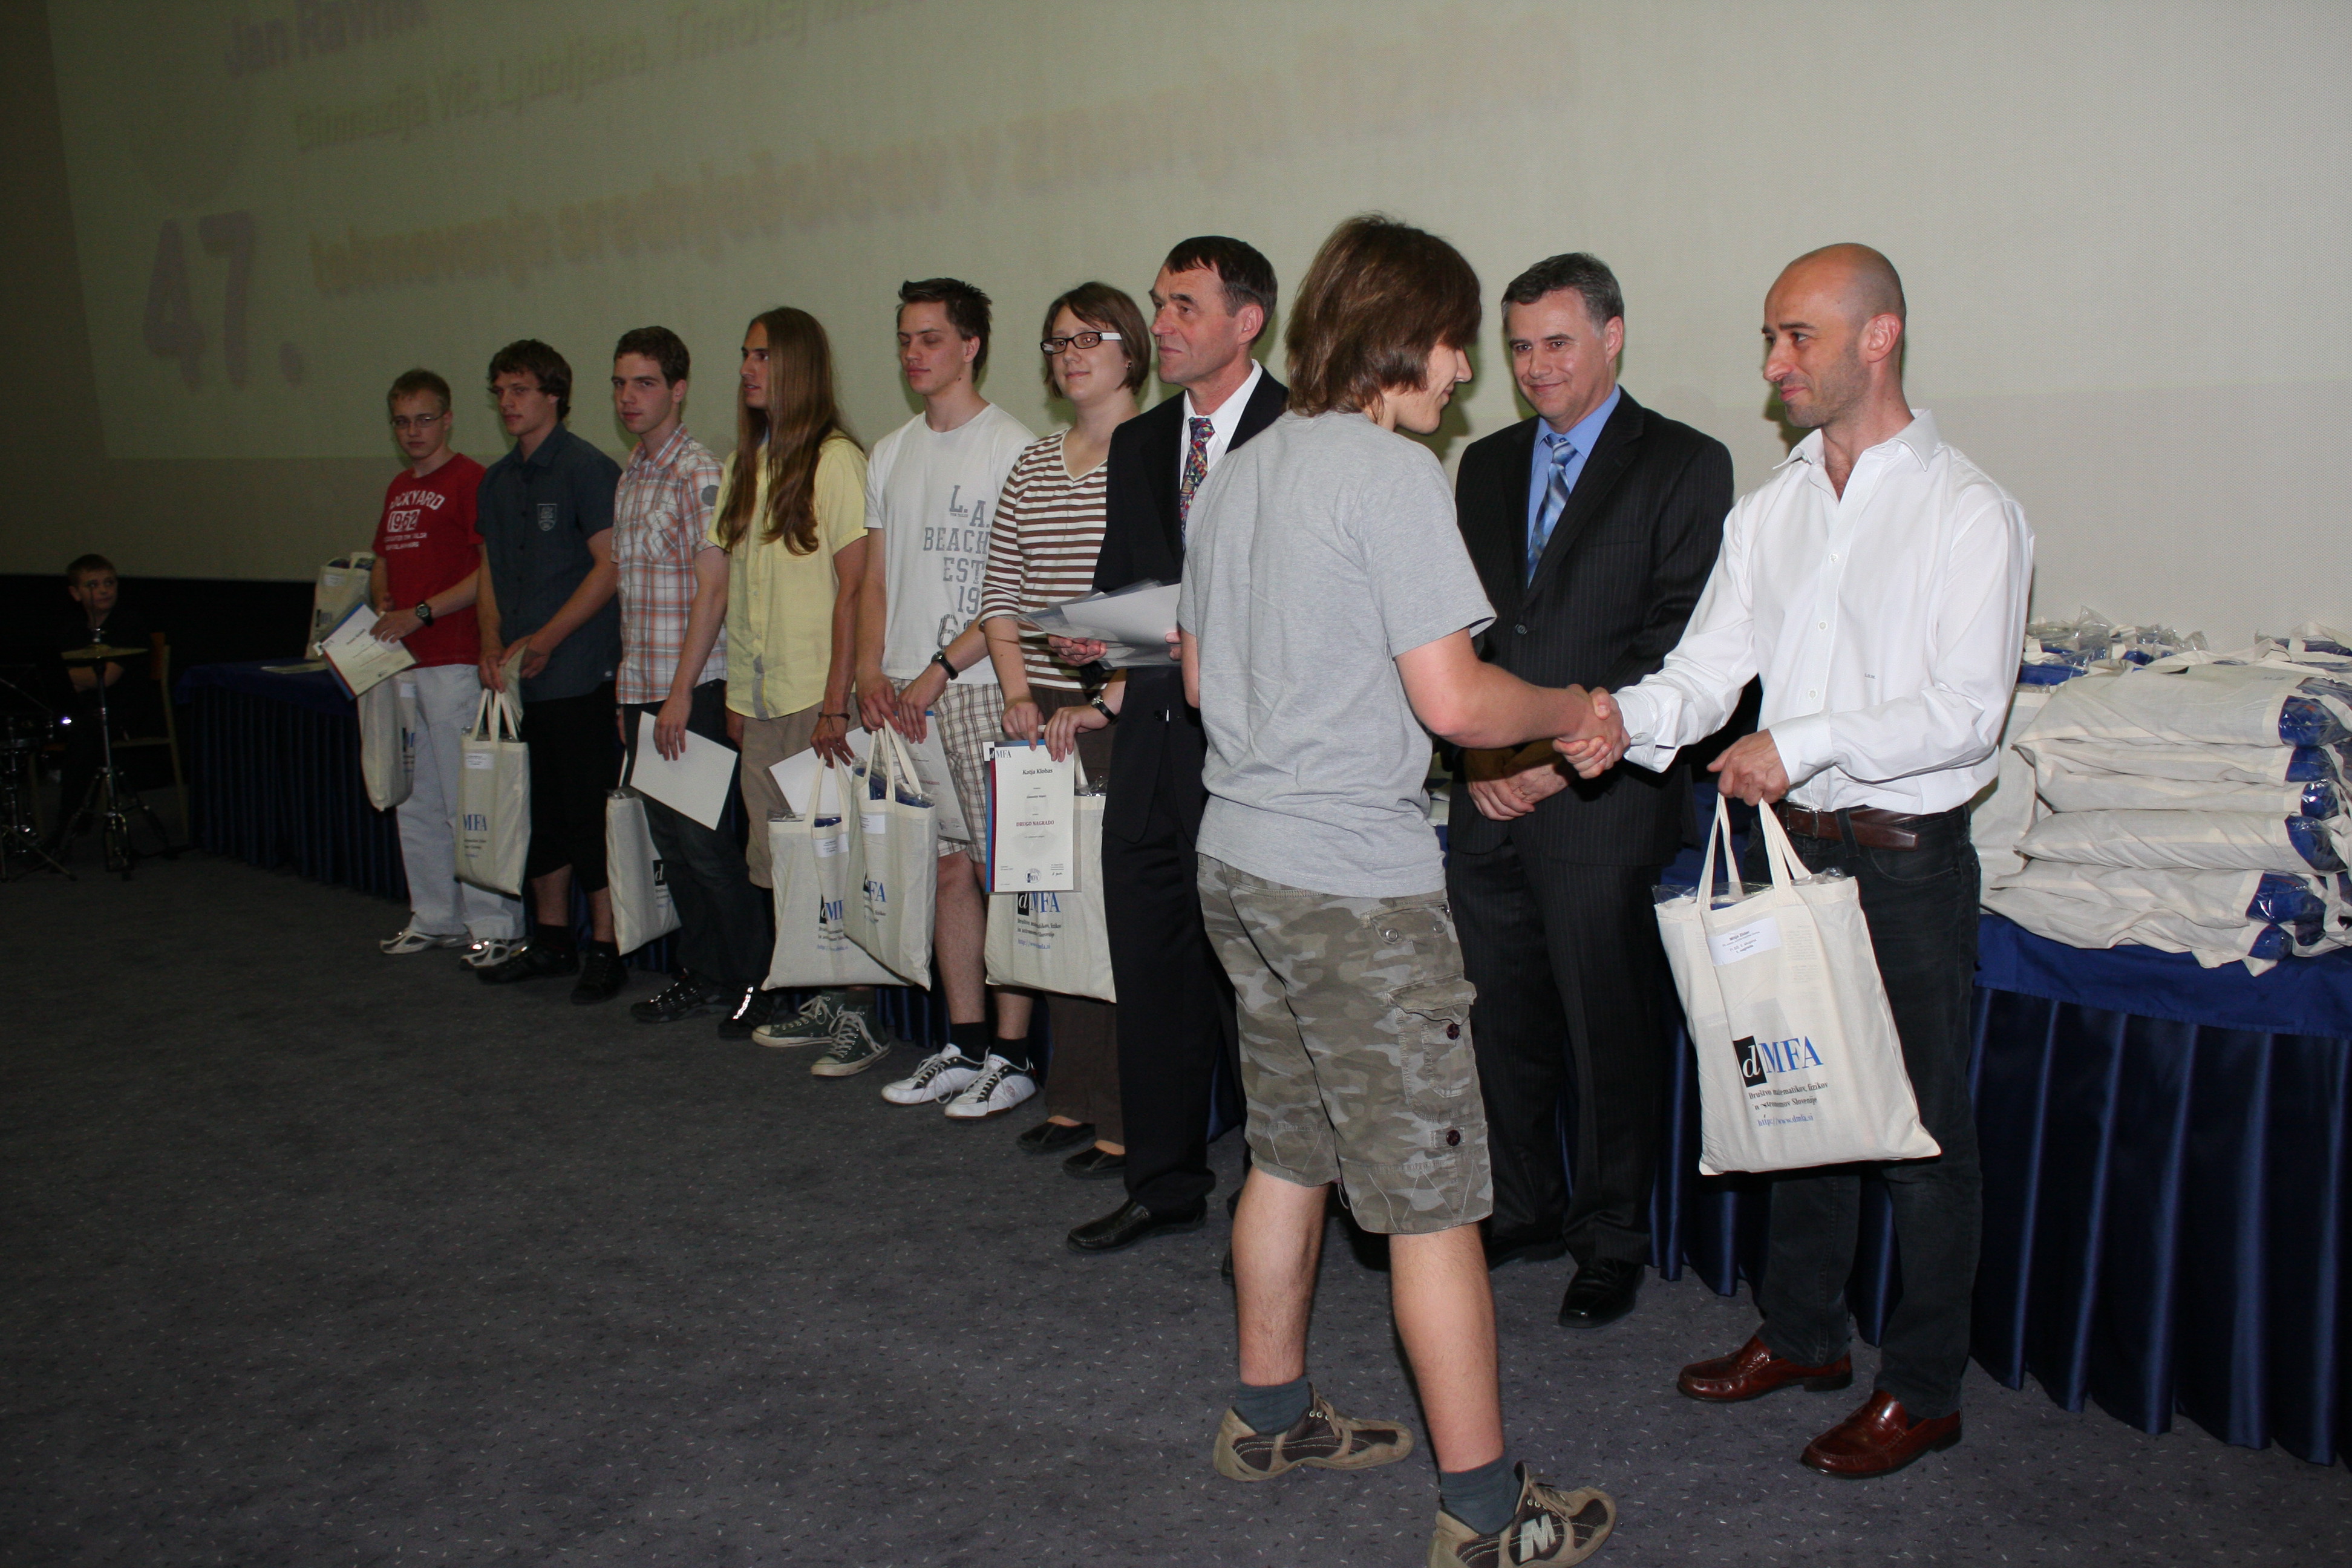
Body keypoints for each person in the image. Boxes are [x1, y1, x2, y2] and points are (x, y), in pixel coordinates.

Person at [1181, 214, 1618, 1567]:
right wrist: (1575, 707)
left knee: (1287, 1147)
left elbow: (1197, 675)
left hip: (1238, 860)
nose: (1465, 373)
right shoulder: (1390, 473)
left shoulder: (1243, 470)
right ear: (1403, 339)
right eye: (1454, 344)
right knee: (1435, 1198)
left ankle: (1267, 1417)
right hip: (1350, 893)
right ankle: (1487, 1513)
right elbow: (1459, 703)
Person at [1568, 244, 2032, 1478]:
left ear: (1878, 338)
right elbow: (1706, 670)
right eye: (1770, 339)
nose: (1774, 364)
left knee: (1919, 1136)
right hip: (1790, 849)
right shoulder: (1771, 510)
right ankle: (1804, 1336)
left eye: (1798, 337)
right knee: (1802, 1103)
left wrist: (1802, 741)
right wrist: (1614, 720)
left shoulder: (1966, 510)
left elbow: (1965, 715)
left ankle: (1923, 1390)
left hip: (1905, 862)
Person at [1445, 255, 1734, 1327]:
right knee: (1498, 1020)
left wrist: (1552, 756)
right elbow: (1460, 633)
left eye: (1557, 342)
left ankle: (1610, 1237)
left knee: (1606, 1032)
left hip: (1601, 801)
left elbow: (1679, 641)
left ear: (1612, 337)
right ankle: (1522, 1204)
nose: (1535, 367)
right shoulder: (1484, 464)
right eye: (1519, 346)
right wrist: (1481, 758)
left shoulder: (1685, 462)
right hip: (1486, 796)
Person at [1057, 236, 1290, 1258]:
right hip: (1151, 743)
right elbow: (1129, 581)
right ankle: (1162, 1181)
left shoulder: (1300, 434)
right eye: (1159, 303)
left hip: (1254, 757)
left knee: (1259, 990)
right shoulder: (1145, 439)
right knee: (1152, 972)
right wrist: (1098, 642)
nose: (1162, 324)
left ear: (1247, 320)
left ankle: (1277, 1198)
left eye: (1185, 305)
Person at [832, 279, 1037, 1102]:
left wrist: (937, 671)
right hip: (901, 695)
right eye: (905, 340)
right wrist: (869, 671)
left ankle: (1014, 1059)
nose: (914, 354)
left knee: (1004, 871)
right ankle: (965, 1043)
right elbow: (876, 580)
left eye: (931, 339)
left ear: (970, 346)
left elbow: (1011, 592)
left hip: (979, 686)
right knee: (950, 869)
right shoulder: (890, 452)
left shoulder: (1013, 446)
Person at [975, 283, 1148, 1166]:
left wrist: (1105, 696)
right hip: (1038, 715)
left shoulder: (1156, 454)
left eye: (1091, 338)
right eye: (1058, 342)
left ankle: (1124, 1114)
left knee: (1114, 921)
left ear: (1132, 351)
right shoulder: (1034, 464)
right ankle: (1072, 1099)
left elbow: (1170, 600)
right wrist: (1018, 693)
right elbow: (999, 589)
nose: (1072, 355)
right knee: (1050, 908)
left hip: (1120, 713)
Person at [707, 307, 887, 1073]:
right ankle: (821, 995)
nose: (748, 369)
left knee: (836, 856)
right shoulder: (745, 463)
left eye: (763, 356)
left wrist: (836, 701)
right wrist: (737, 697)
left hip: (820, 698)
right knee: (782, 860)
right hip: (761, 696)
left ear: (798, 366)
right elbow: (738, 591)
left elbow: (856, 588)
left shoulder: (836, 460)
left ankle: (861, 1014)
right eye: (745, 355)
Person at [606, 327, 774, 1036]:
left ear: (678, 390)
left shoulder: (698, 471)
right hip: (643, 688)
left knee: (707, 848)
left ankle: (755, 981)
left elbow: (714, 589)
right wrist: (629, 695)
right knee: (673, 849)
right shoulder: (633, 472)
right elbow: (634, 595)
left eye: (645, 383)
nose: (629, 397)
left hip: (693, 690)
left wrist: (678, 694)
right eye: (620, 384)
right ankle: (704, 974)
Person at [472, 339, 628, 1002]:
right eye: (500, 392)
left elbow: (610, 566)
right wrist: (490, 639)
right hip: (518, 680)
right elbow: (488, 570)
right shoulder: (497, 480)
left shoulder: (586, 467)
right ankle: (553, 940)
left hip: (577, 672)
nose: (508, 403)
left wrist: (547, 638)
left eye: (521, 390)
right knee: (535, 813)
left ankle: (606, 946)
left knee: (587, 815)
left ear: (555, 396)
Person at [366, 370, 523, 960]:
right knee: (416, 798)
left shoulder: (470, 480)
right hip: (402, 665)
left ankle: (494, 926)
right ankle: (435, 915)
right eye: (403, 422)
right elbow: (382, 559)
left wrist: (422, 613)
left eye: (424, 419)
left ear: (448, 419)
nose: (413, 431)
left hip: (453, 659)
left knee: (468, 801)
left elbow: (489, 570)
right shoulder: (397, 487)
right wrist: (384, 598)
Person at [49, 554, 154, 846]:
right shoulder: (72, 629)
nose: (105, 590)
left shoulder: (128, 623)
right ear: (75, 593)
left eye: (109, 583)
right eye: (93, 585)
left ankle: (68, 821)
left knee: (85, 732)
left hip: (126, 708)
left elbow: (106, 677)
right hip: (84, 707)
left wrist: (69, 678)